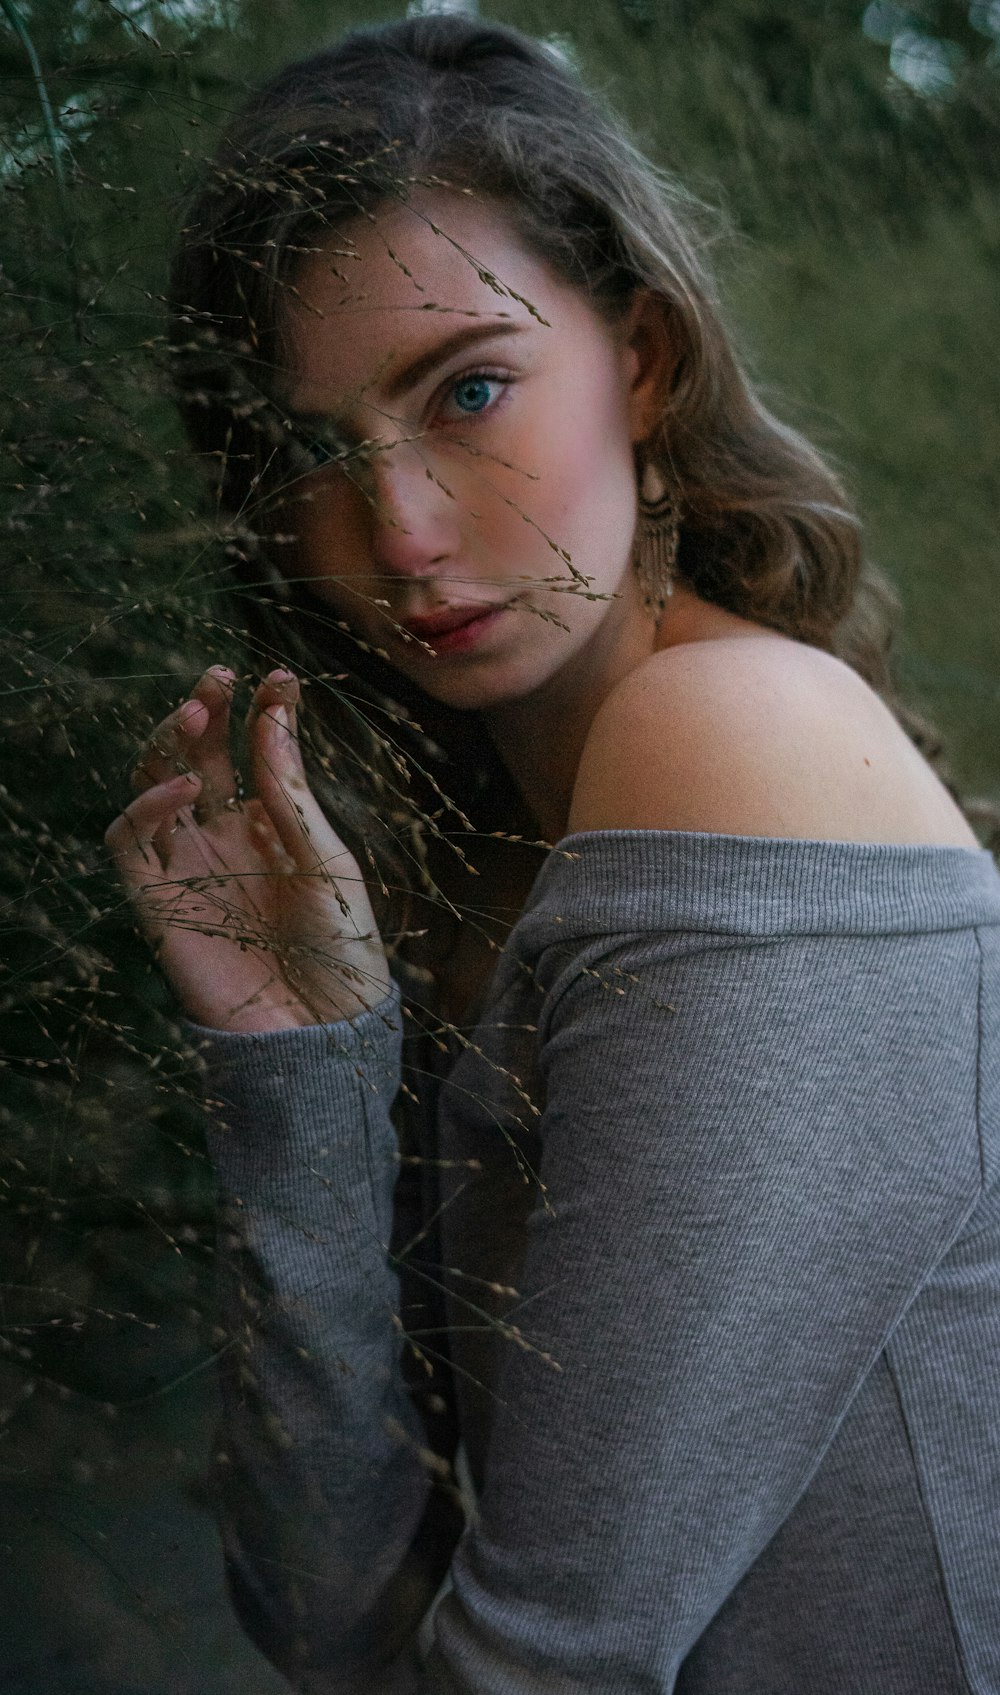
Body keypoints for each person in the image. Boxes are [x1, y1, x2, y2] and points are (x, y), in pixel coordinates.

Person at [105, 15, 1000, 1694]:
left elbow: (539, 1669)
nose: (403, 528)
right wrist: (298, 1064)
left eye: (471, 390)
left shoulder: (735, 736)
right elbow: (333, 1623)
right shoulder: (483, 857)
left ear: (643, 359)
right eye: (314, 451)